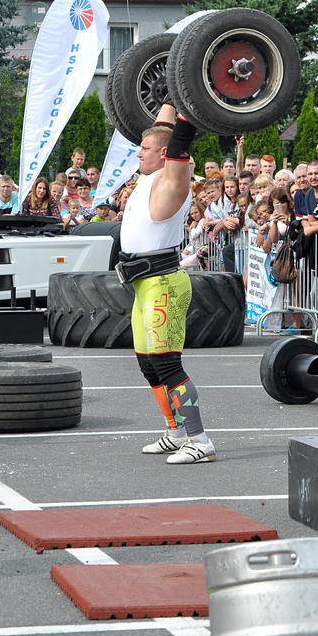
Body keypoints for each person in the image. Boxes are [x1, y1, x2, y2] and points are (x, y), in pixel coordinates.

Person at [121, 103, 215, 464]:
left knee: (168, 365)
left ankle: (199, 439)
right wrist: (174, 94)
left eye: (143, 150)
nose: (137, 153)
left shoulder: (173, 182)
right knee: (149, 365)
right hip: (142, 287)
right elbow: (160, 127)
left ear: (163, 155)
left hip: (164, 285)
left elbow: (176, 144)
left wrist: (190, 108)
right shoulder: (147, 175)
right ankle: (174, 432)